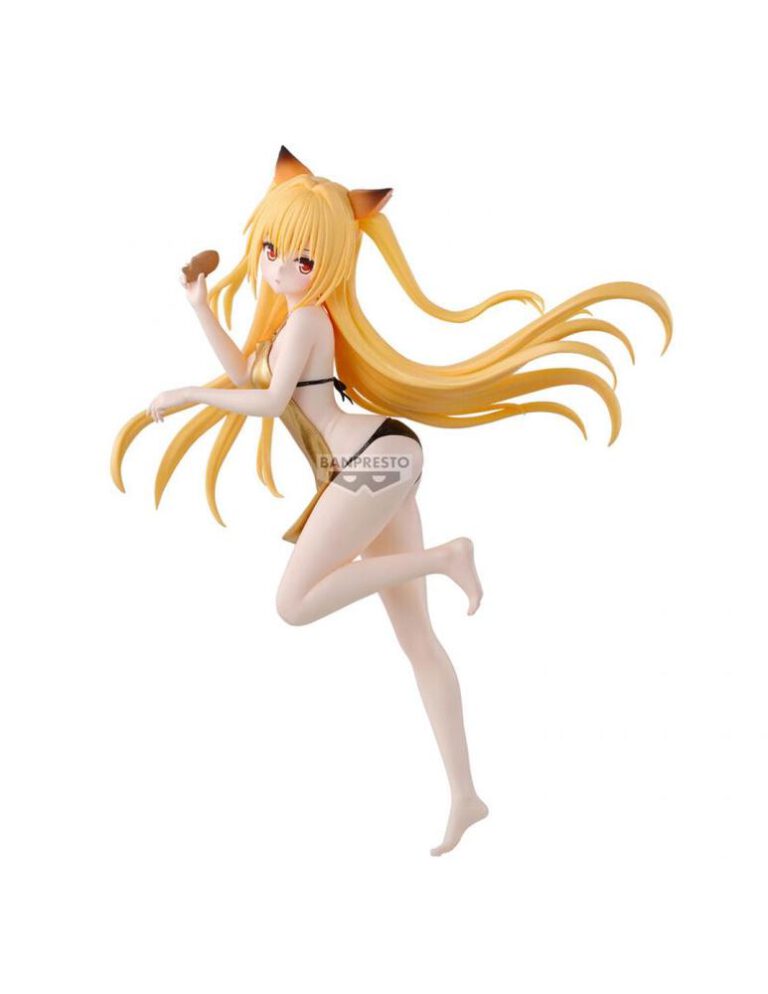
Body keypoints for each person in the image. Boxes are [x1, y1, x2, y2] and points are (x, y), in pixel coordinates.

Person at [111, 145, 672, 855]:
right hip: (381, 460)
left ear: (330, 263)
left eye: (302, 260)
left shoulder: (309, 320)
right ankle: (466, 795)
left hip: (373, 461)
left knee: (293, 603)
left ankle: (444, 557)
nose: (280, 269)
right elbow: (250, 375)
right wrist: (200, 310)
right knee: (418, 641)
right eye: (272, 251)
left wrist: (190, 393)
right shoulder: (291, 321)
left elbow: (272, 401)